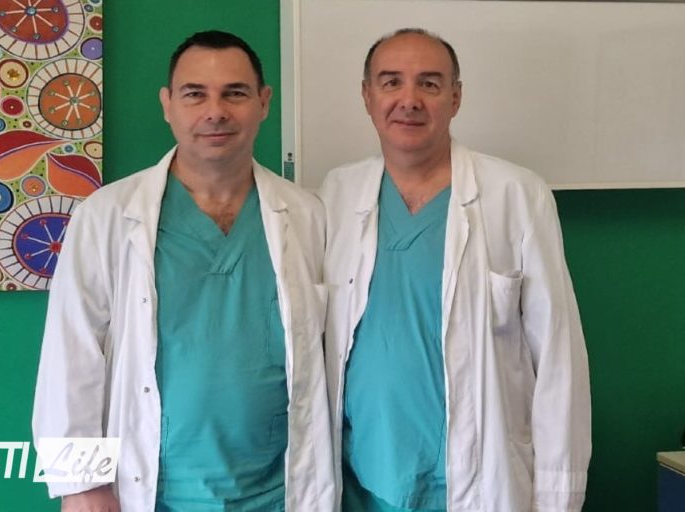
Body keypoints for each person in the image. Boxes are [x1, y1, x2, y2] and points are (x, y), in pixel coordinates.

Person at [32, 30, 334, 512]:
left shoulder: (308, 215)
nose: (215, 111)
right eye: (195, 94)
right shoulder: (107, 215)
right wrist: (81, 484)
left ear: (263, 102)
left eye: (235, 93)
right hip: (153, 491)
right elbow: (72, 352)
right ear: (167, 104)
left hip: (282, 490)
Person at [319, 29, 591, 512]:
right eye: (391, 82)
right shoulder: (336, 194)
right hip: (361, 478)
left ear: (456, 97)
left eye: (429, 83)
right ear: (367, 96)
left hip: (478, 481)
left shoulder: (515, 193)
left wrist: (558, 497)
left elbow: (558, 358)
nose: (409, 100)